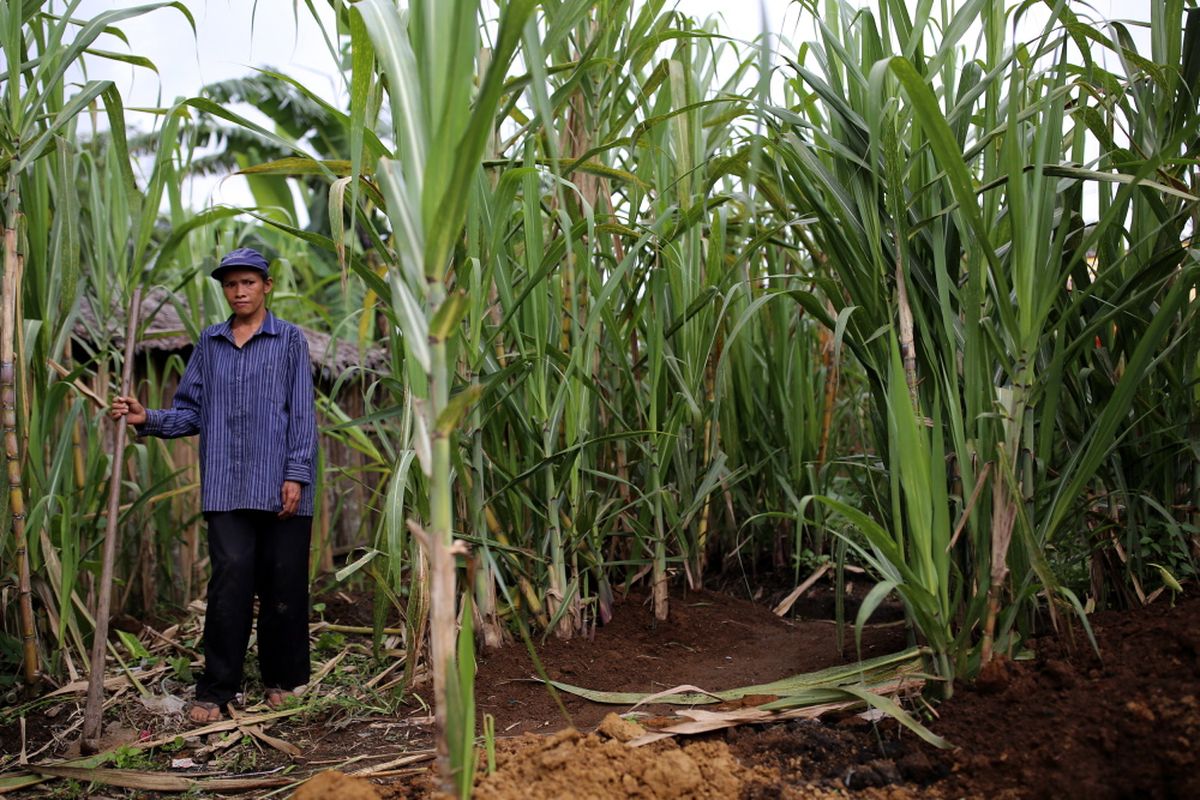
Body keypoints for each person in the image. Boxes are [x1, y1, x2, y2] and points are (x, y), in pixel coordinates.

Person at [110, 247, 318, 724]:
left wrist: (296, 474)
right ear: (224, 290)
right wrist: (149, 417)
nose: (239, 291)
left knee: (283, 586)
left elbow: (302, 413)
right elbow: (190, 411)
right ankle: (217, 687)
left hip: (282, 484)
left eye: (248, 282)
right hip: (227, 486)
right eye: (230, 284)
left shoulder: (288, 340)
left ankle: (281, 680)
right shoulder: (210, 342)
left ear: (267, 286)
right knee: (230, 583)